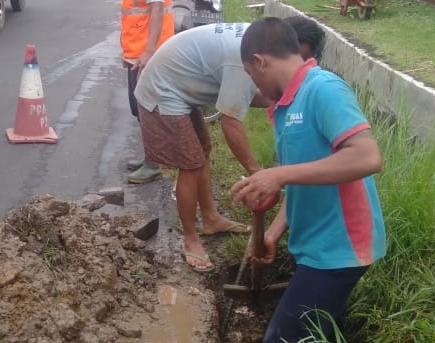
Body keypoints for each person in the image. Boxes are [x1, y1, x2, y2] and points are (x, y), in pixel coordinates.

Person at [231, 17, 386, 343]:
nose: (254, 84)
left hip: (340, 248)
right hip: (317, 245)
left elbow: (367, 157)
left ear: (260, 60)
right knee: (317, 340)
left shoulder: (322, 90)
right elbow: (303, 179)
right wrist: (272, 232)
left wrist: (279, 174)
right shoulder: (284, 107)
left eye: (251, 73)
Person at [132, 16, 325, 272]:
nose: (295, 68)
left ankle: (211, 219)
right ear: (285, 45)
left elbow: (253, 96)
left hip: (178, 86)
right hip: (162, 91)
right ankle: (191, 240)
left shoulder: (257, 43)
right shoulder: (247, 59)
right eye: (296, 58)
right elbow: (231, 122)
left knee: (201, 153)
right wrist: (259, 175)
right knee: (190, 165)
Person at [117, 0, 175, 185]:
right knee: (139, 107)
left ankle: (154, 163)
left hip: (148, 52)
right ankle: (150, 157)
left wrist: (148, 53)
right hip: (139, 50)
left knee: (147, 108)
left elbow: (155, 8)